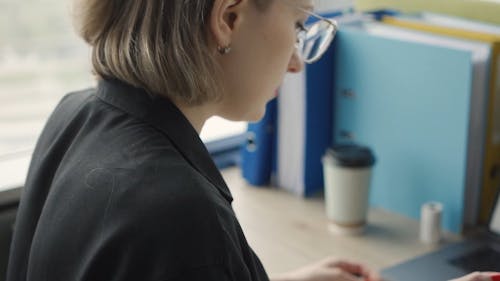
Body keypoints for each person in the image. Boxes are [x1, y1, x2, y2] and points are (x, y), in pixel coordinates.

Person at [5, 0, 499, 281]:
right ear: (229, 18)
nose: (297, 62)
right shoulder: (175, 209)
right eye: (300, 23)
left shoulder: (77, 113)